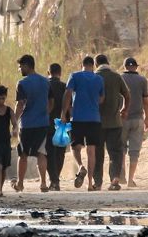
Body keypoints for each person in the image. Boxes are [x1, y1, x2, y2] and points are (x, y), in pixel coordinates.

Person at [62, 56, 104, 189]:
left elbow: (68, 93)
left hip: (78, 118)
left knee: (75, 147)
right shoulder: (99, 79)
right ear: (93, 65)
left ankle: (81, 166)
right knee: (91, 151)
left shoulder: (74, 76)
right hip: (94, 118)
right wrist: (93, 103)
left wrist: (64, 113)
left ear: (82, 64)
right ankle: (90, 184)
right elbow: (102, 98)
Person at [14, 54, 52, 192]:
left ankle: (20, 184)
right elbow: (51, 101)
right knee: (41, 153)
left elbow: (20, 104)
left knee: (23, 154)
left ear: (26, 65)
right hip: (42, 123)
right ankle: (43, 183)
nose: (20, 70)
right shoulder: (45, 81)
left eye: (20, 67)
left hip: (27, 124)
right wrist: (45, 112)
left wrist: (14, 121)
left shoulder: (22, 83)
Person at [95, 54, 129, 190]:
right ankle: (115, 178)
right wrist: (125, 109)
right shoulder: (116, 76)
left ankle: (97, 182)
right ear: (108, 63)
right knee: (115, 152)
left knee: (98, 153)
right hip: (115, 121)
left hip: (97, 122)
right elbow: (127, 94)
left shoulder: (94, 77)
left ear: (96, 64)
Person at [120, 57, 148, 188]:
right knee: (134, 151)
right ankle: (130, 180)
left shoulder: (120, 78)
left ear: (125, 66)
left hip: (122, 118)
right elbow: (145, 101)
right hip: (137, 119)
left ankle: (121, 175)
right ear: (136, 67)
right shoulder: (142, 80)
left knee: (121, 148)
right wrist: (147, 118)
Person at [45, 63, 68, 190]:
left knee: (49, 152)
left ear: (48, 72)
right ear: (60, 72)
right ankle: (55, 179)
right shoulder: (65, 86)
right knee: (60, 153)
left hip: (48, 122)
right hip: (63, 123)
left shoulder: (45, 85)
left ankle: (54, 180)